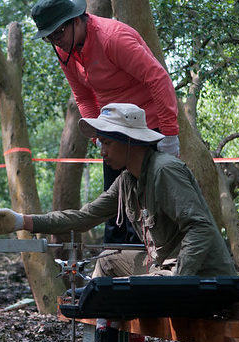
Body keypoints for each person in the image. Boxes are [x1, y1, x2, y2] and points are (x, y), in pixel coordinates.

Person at [0, 103, 236, 342]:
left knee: (132, 285)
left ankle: (124, 330)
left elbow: (200, 228)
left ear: (129, 140)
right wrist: (21, 221)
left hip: (200, 276)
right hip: (163, 268)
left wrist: (178, 282)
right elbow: (83, 216)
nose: (101, 151)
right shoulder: (127, 180)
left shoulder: (166, 171)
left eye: (106, 142)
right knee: (108, 262)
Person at [30, 0, 181, 245]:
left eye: (59, 32)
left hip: (147, 129)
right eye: (50, 36)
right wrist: (99, 136)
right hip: (113, 129)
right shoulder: (63, 50)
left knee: (150, 207)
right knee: (115, 207)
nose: (57, 40)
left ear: (76, 20)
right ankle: (114, 263)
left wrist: (169, 135)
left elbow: (158, 79)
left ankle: (152, 267)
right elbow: (83, 96)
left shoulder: (113, 38)